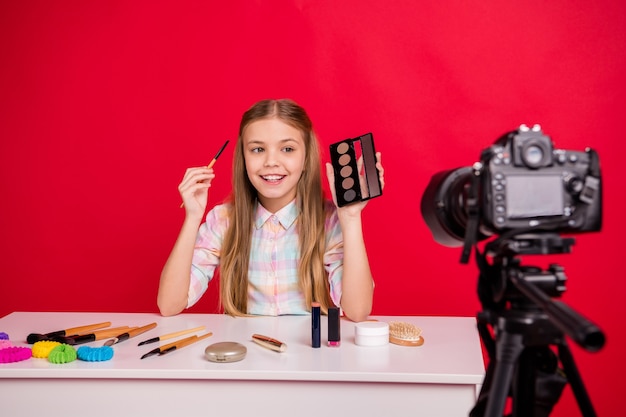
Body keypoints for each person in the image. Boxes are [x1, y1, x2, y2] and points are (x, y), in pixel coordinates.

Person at [157, 99, 384, 322]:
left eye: (287, 149)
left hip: (309, 353)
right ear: (243, 158)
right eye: (257, 149)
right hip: (245, 351)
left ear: (306, 158)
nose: (271, 161)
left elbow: (357, 310)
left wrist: (351, 217)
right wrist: (192, 217)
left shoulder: (328, 220)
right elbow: (169, 304)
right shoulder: (223, 219)